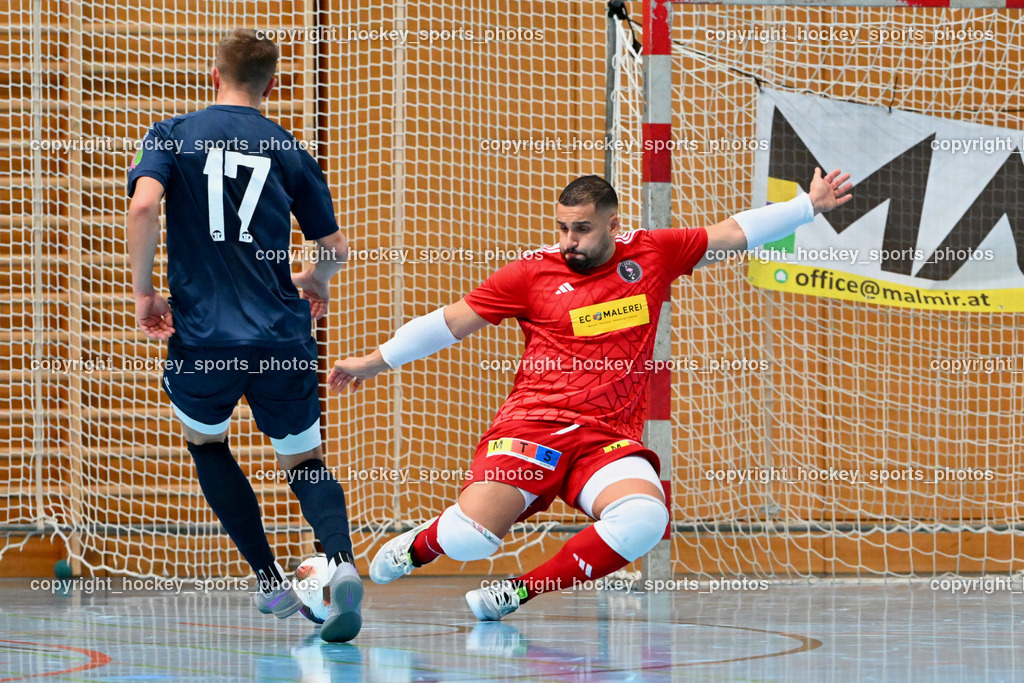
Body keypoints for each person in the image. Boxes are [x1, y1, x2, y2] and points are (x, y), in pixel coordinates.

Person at [328, 169, 852, 621]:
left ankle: (516, 592)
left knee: (646, 518)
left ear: (612, 225)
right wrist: (373, 362)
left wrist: (808, 205)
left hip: (606, 438)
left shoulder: (651, 253)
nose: (568, 241)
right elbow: (450, 322)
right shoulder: (530, 272)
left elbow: (733, 232)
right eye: (562, 228)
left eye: (581, 229)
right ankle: (418, 546)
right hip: (534, 426)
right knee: (469, 540)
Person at [126, 29, 362, 642]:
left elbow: (143, 208)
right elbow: (335, 247)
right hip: (281, 336)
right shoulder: (286, 146)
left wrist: (145, 293)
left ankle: (268, 579)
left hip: (204, 339)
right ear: (271, 86)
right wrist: (315, 281)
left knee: (208, 446)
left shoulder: (172, 134)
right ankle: (340, 561)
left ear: (214, 76)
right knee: (304, 460)